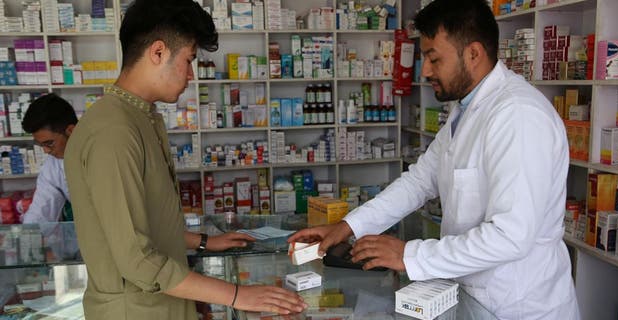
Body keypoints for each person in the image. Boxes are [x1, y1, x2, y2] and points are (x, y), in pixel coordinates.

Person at [289, 0, 580, 319]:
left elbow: (510, 236)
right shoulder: (467, 109)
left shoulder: (518, 117)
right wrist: (347, 226)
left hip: (517, 306)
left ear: (473, 53)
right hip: (474, 297)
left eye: (433, 58)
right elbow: (419, 182)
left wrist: (408, 254)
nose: (425, 70)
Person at [64, 1, 306, 319]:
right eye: (189, 60)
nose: (191, 75)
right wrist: (238, 295)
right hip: (137, 311)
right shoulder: (114, 132)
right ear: (158, 52)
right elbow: (136, 259)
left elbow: (145, 223)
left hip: (163, 302)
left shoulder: (142, 117)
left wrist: (203, 242)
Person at [21, 93, 76, 224]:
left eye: (49, 143)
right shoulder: (54, 165)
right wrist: (28, 234)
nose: (45, 151)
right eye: (41, 145)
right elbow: (42, 207)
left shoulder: (102, 153)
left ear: (71, 131)